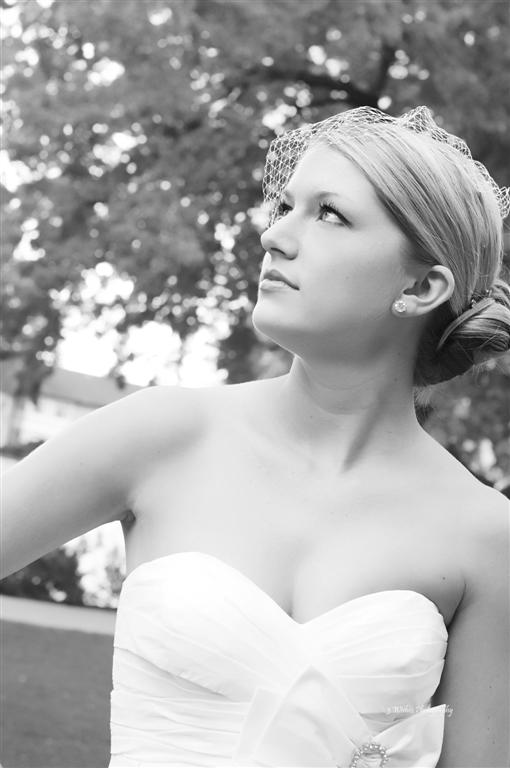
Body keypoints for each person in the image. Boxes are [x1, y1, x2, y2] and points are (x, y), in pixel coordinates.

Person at [3, 105, 510, 768]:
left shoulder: (486, 535)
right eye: (285, 206)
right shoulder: (160, 434)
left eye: (329, 214)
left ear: (421, 286)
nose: (274, 235)